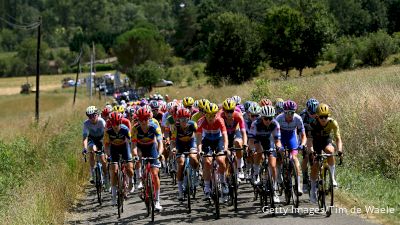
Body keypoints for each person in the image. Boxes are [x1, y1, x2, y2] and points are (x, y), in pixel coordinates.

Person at [132, 107, 164, 211]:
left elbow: (160, 142)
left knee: (155, 174)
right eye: (141, 120)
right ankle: (141, 179)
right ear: (138, 120)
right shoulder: (135, 128)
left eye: (145, 119)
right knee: (139, 158)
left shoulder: (154, 126)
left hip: (151, 147)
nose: (143, 122)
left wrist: (159, 153)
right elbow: (133, 145)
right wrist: (135, 155)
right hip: (140, 148)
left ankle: (157, 201)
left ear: (148, 119)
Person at [309, 103, 343, 203]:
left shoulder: (333, 123)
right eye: (321, 117)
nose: (324, 119)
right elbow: (309, 141)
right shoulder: (312, 124)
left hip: (326, 140)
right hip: (315, 143)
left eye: (326, 116)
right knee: (315, 164)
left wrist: (340, 150)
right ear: (317, 116)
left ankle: (332, 178)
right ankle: (313, 189)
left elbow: (338, 138)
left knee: (330, 151)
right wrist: (311, 151)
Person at [248, 105, 282, 203]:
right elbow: (251, 140)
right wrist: (252, 149)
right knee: (259, 151)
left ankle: (274, 189)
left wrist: (279, 148)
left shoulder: (275, 124)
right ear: (262, 117)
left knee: (272, 165)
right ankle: (256, 173)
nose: (268, 120)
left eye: (270, 118)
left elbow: (277, 140)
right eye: (266, 118)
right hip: (257, 140)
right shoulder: (255, 123)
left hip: (268, 141)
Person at [196, 103, 229, 202]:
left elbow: (225, 137)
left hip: (218, 140)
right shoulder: (201, 121)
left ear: (216, 114)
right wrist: (199, 150)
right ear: (205, 114)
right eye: (208, 115)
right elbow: (198, 139)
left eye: (213, 115)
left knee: (221, 160)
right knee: (207, 162)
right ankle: (207, 187)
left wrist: (226, 148)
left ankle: (223, 183)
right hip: (207, 141)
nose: (211, 118)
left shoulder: (220, 120)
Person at [275, 100, 306, 196]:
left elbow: (303, 135)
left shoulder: (298, 118)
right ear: (284, 112)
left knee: (295, 158)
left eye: (292, 112)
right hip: (281, 137)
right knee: (281, 155)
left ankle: (298, 186)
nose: (290, 115)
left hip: (292, 137)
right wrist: (279, 146)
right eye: (287, 113)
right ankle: (279, 175)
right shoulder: (279, 118)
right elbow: (275, 136)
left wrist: (303, 144)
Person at [104, 112, 134, 205]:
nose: (115, 125)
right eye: (113, 123)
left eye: (117, 123)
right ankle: (113, 196)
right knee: (114, 170)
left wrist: (132, 153)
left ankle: (131, 182)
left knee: (129, 168)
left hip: (124, 147)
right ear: (111, 123)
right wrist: (108, 156)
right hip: (114, 149)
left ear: (120, 122)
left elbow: (131, 142)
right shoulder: (108, 131)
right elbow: (106, 146)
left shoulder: (125, 129)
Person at [170, 108, 199, 200]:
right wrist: (173, 148)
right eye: (182, 119)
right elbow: (172, 141)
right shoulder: (175, 126)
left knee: (193, 157)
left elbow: (199, 136)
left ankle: (197, 172)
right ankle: (180, 191)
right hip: (180, 145)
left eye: (186, 119)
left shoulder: (193, 124)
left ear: (189, 118)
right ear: (178, 119)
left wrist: (199, 146)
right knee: (181, 163)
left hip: (191, 143)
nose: (184, 122)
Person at [220, 98, 247, 182]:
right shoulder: (220, 116)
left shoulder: (238, 115)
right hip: (224, 134)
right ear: (223, 110)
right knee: (223, 153)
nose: (229, 113)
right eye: (227, 111)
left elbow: (243, 132)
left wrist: (245, 144)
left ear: (234, 110)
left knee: (238, 142)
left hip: (235, 132)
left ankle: (240, 167)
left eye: (231, 111)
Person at [82, 106, 107, 185]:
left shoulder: (101, 121)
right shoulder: (86, 123)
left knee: (103, 160)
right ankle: (93, 174)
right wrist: (85, 148)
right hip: (92, 139)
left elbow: (107, 134)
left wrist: (106, 146)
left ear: (97, 115)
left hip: (102, 139)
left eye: (94, 115)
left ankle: (106, 176)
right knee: (92, 150)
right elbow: (85, 137)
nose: (92, 118)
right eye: (89, 116)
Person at [299, 98, 319, 193]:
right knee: (306, 156)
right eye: (312, 112)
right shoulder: (303, 115)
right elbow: (300, 130)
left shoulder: (320, 114)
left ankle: (318, 176)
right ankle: (305, 180)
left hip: (315, 135)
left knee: (319, 155)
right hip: (305, 135)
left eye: (315, 113)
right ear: (307, 110)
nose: (314, 115)